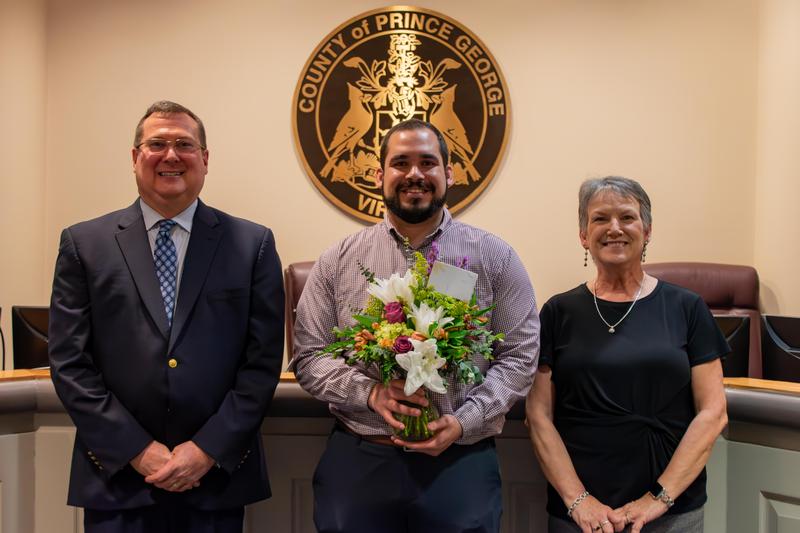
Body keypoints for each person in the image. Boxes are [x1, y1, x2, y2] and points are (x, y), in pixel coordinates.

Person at [292, 118, 540, 533]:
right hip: (361, 457)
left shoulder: (495, 257)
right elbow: (309, 355)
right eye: (400, 163)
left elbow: (520, 356)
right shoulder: (338, 261)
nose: (414, 175)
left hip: (460, 460)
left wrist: (464, 421)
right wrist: (370, 394)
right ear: (379, 176)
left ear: (449, 174)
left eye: (428, 163)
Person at [48, 101, 285, 533]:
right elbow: (69, 363)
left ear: (205, 160)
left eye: (184, 144)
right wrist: (136, 449)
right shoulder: (84, 244)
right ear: (135, 157)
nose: (170, 155)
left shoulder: (253, 245)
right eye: (156, 144)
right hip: (118, 480)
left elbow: (262, 363)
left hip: (213, 481)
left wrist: (206, 450)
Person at [526, 176, 729, 533]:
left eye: (627, 217)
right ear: (583, 236)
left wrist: (657, 499)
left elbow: (713, 413)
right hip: (579, 518)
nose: (614, 228)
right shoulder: (558, 312)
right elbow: (538, 415)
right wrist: (578, 501)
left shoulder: (688, 308)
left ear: (647, 230)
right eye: (600, 218)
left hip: (672, 512)